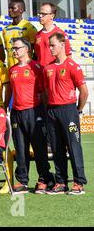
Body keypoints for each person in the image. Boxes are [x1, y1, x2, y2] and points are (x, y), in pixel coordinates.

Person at [44, 33, 89, 195]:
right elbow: (45, 92)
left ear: (62, 45)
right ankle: (61, 183)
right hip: (52, 111)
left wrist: (78, 110)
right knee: (56, 148)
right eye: (49, 45)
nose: (50, 48)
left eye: (53, 45)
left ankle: (79, 183)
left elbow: (84, 91)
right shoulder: (48, 68)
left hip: (69, 110)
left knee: (73, 146)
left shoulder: (72, 66)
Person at [8, 37, 54, 194]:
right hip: (16, 113)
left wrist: (46, 113)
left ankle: (45, 179)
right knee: (20, 149)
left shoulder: (37, 68)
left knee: (39, 148)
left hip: (34, 112)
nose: (14, 50)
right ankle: (22, 180)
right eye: (13, 48)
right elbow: (11, 92)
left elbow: (44, 93)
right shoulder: (12, 70)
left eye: (17, 48)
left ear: (26, 49)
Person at [2, 0, 37, 68]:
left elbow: (36, 51)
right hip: (11, 69)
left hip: (26, 69)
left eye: (13, 8)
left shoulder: (29, 27)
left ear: (21, 10)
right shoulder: (5, 29)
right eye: (9, 8)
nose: (9, 10)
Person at [35, 2, 72, 67]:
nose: (40, 16)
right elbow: (36, 55)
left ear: (52, 16)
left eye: (43, 14)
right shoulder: (37, 35)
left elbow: (68, 55)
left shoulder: (60, 34)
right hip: (40, 73)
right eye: (40, 13)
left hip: (55, 72)